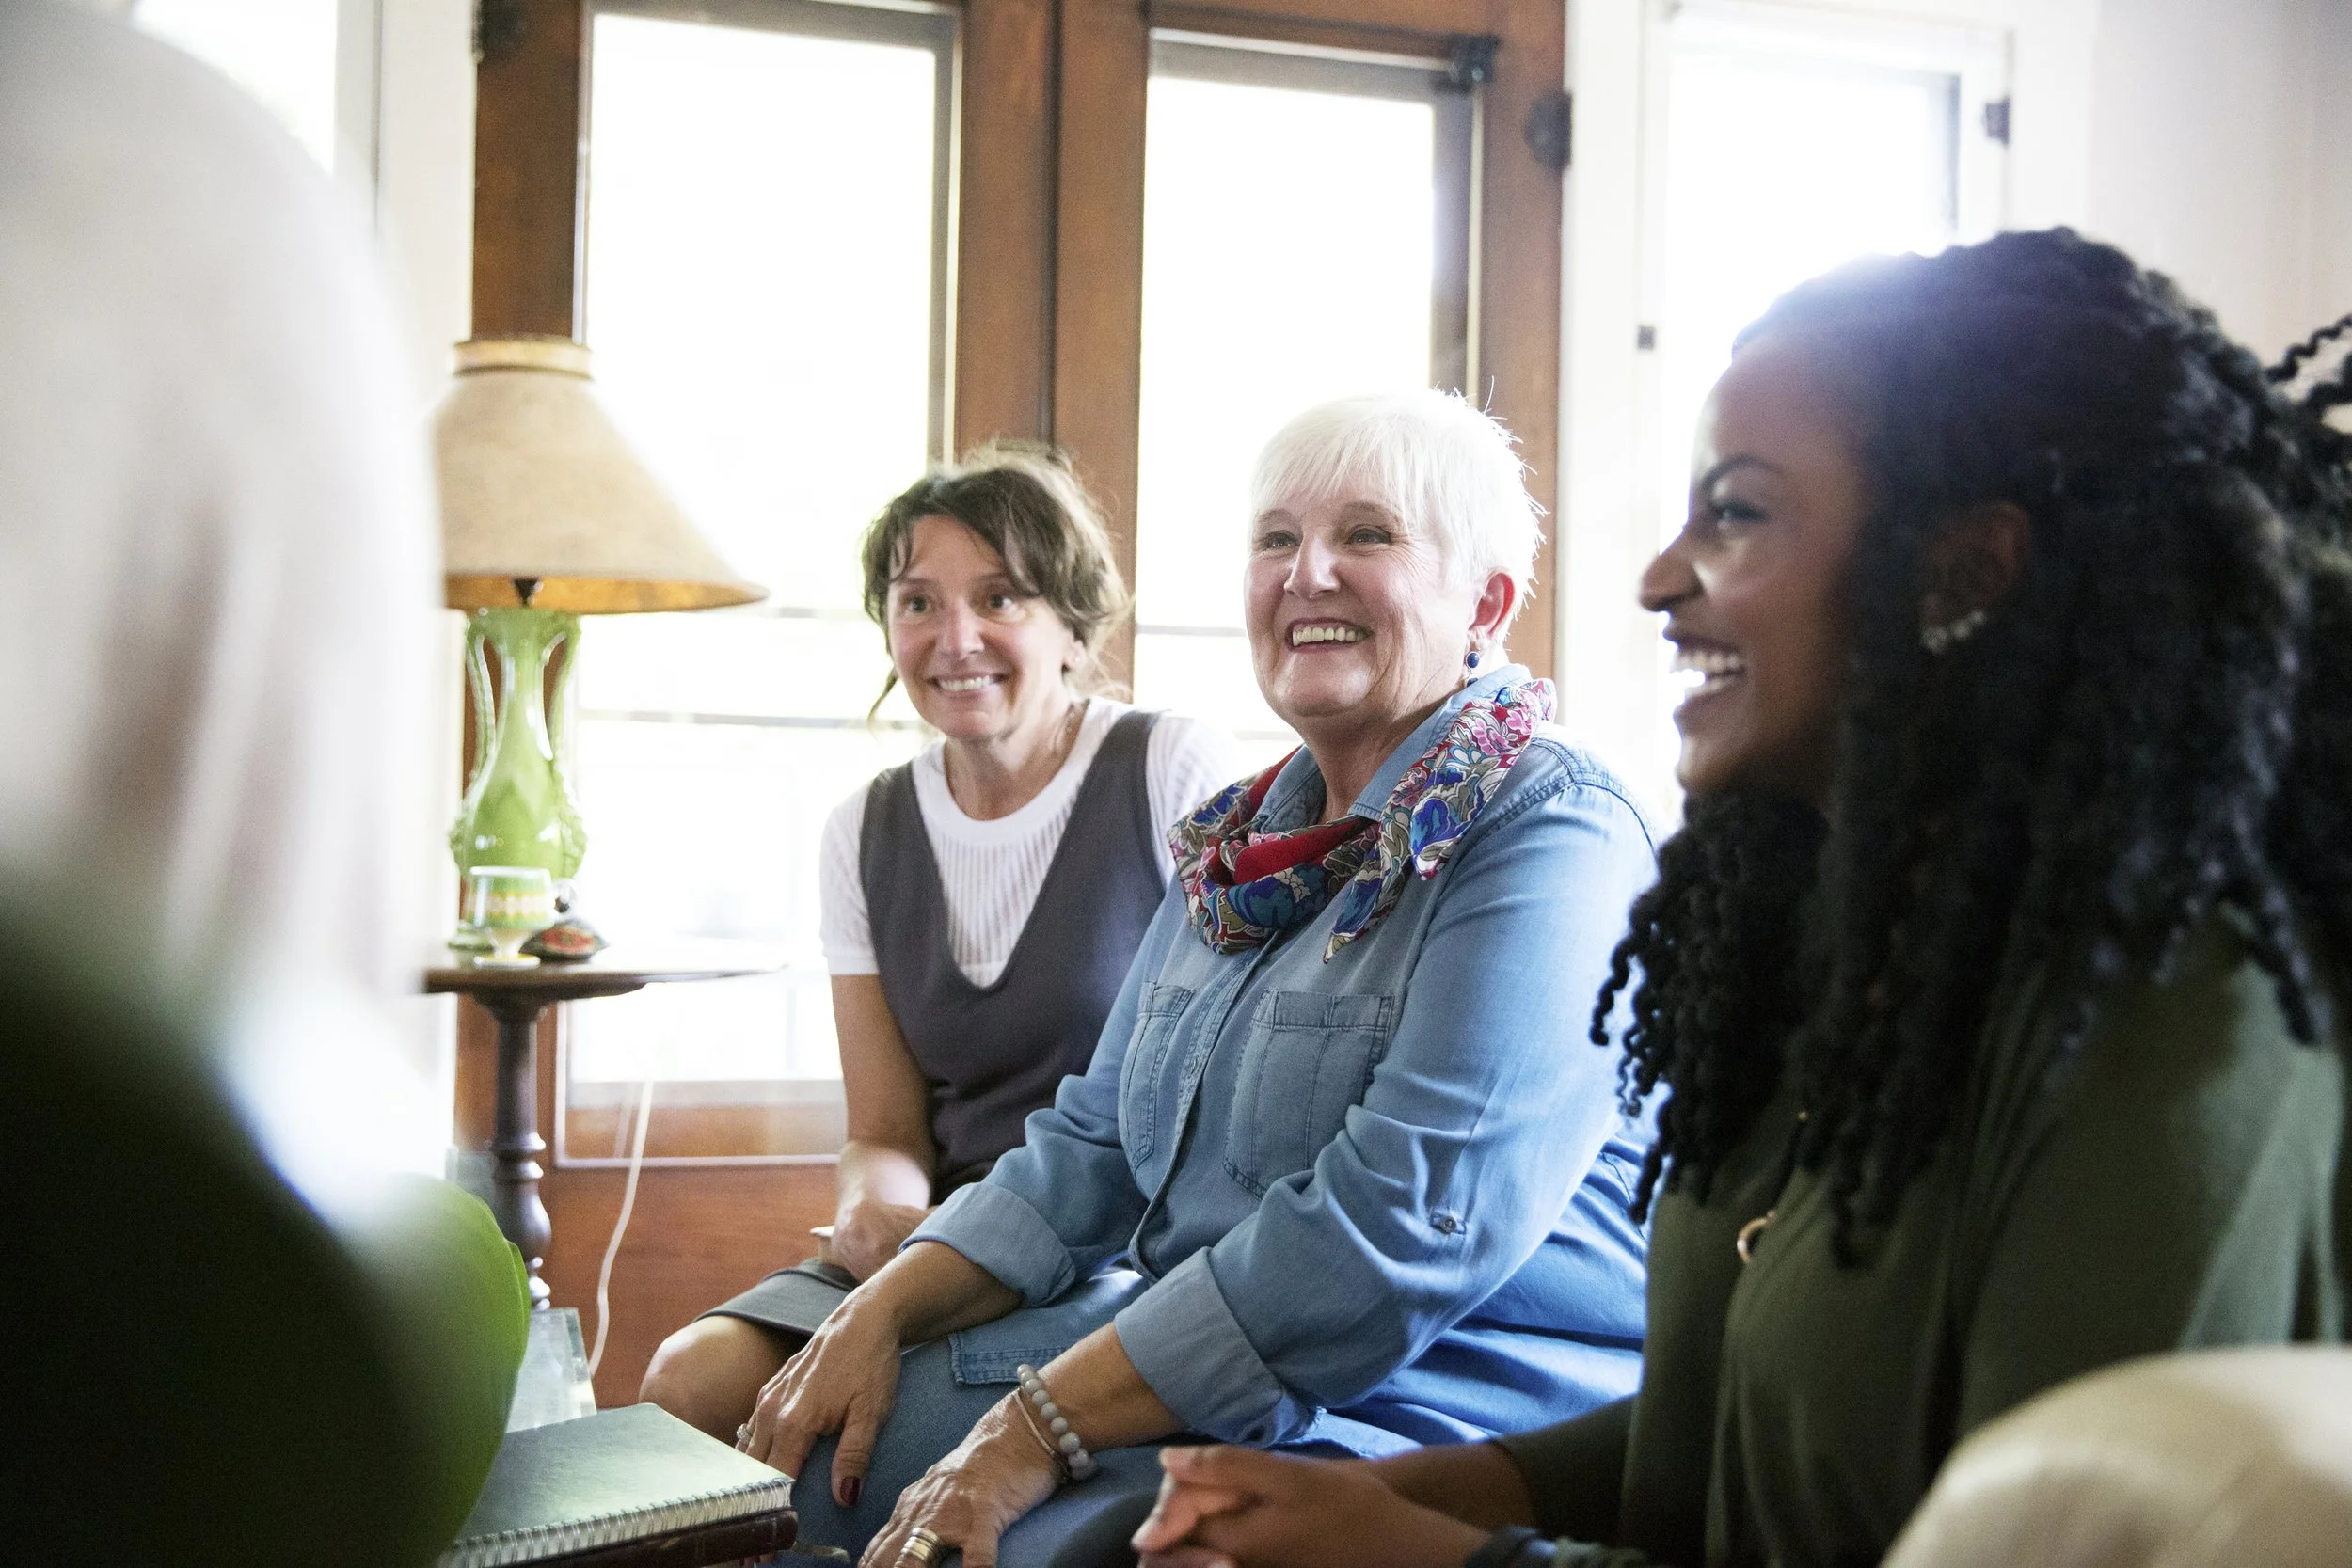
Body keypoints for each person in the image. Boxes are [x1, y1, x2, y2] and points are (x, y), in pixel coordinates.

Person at [1129, 230, 2352, 1568]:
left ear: (1963, 575)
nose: (1660, 577)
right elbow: (1740, 1426)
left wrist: (1433, 1555)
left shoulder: (2164, 1024)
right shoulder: (1829, 945)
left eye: (1739, 513)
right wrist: (1448, 1490)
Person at [737, 389, 1659, 1568]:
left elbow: (1394, 1231)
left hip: (1442, 1393)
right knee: (802, 1466)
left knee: (1064, 1547)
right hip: (1186, 1358)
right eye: (1276, 538)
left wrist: (1033, 1426)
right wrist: (880, 1308)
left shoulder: (1553, 829)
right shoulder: (1241, 842)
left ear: (1484, 604)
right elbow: (1093, 1142)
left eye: (1366, 534)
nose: (1306, 572)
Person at [643, 447, 1238, 1437]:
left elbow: (1227, 1085)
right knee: (687, 1382)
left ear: (1071, 624)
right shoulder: (862, 829)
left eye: (999, 597)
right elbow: (886, 1130)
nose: (956, 639)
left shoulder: (1169, 766)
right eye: (918, 602)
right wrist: (874, 1210)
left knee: (891, 1422)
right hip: (940, 1244)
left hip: (1120, 1244)